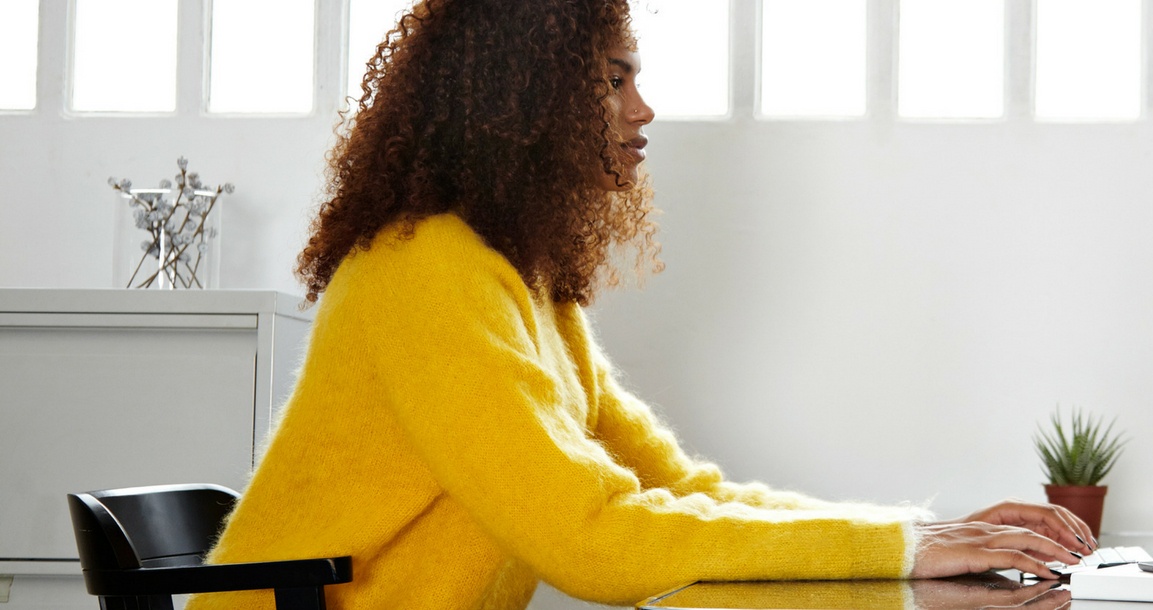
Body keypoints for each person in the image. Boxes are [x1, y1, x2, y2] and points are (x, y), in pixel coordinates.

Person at [186, 1, 1091, 608]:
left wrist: (912, 538)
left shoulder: (521, 283)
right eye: (615, 78)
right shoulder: (422, 270)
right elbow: (593, 539)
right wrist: (907, 551)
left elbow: (680, 492)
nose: (643, 108)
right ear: (527, 96)